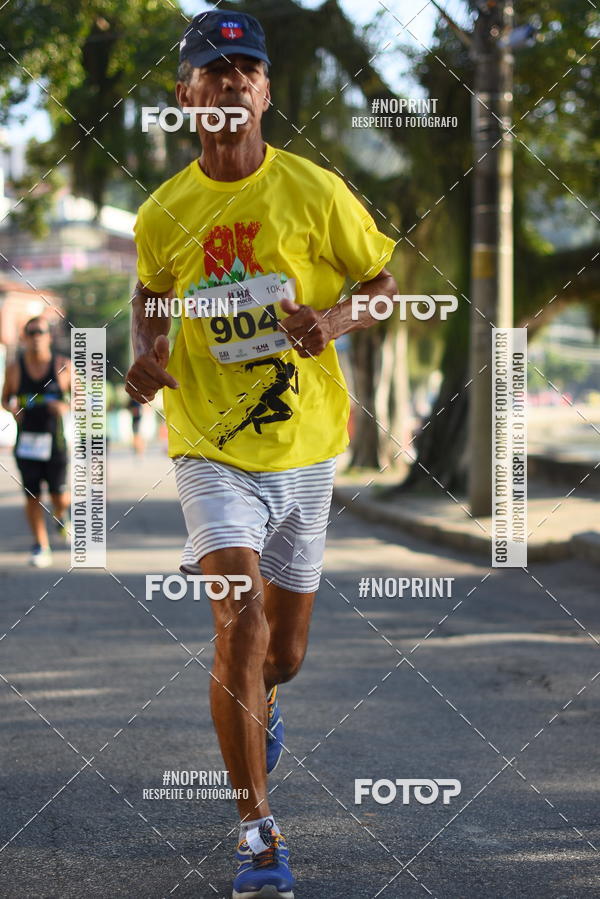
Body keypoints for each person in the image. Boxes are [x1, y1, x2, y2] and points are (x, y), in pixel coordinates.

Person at [125, 10, 397, 898]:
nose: (233, 80)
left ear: (267, 91)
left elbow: (383, 284)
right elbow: (150, 290)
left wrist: (335, 319)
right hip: (209, 446)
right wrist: (151, 350)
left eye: (248, 67)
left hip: (308, 447)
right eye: (215, 69)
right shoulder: (164, 210)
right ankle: (258, 832)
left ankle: (266, 700)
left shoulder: (315, 192)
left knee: (282, 655)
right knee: (237, 622)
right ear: (186, 98)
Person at [1, 316, 71, 567]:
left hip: (56, 443)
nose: (35, 337)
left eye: (40, 331)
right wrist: (12, 409)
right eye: (30, 332)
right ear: (24, 338)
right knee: (32, 495)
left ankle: (62, 515)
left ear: (49, 336)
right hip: (27, 443)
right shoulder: (15, 368)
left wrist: (63, 405)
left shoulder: (63, 366)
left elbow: (85, 399)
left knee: (59, 496)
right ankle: (41, 545)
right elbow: (5, 398)